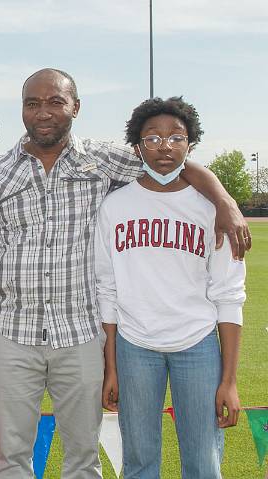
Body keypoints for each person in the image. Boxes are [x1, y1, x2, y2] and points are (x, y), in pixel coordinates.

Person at [0, 68, 251, 478]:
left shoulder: (103, 159)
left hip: (80, 333)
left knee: (83, 458)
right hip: (12, 330)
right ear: (22, 109)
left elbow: (171, 158)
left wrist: (223, 200)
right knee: (12, 457)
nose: (43, 112)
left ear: (76, 107)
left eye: (55, 102)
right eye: (33, 103)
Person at [96, 96, 245, 478]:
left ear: (190, 145)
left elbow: (229, 296)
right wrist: (110, 365)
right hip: (134, 345)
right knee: (139, 462)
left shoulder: (213, 209)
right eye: (152, 139)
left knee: (202, 463)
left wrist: (229, 381)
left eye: (176, 138)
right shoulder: (115, 206)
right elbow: (107, 291)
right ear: (136, 146)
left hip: (197, 344)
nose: (165, 147)